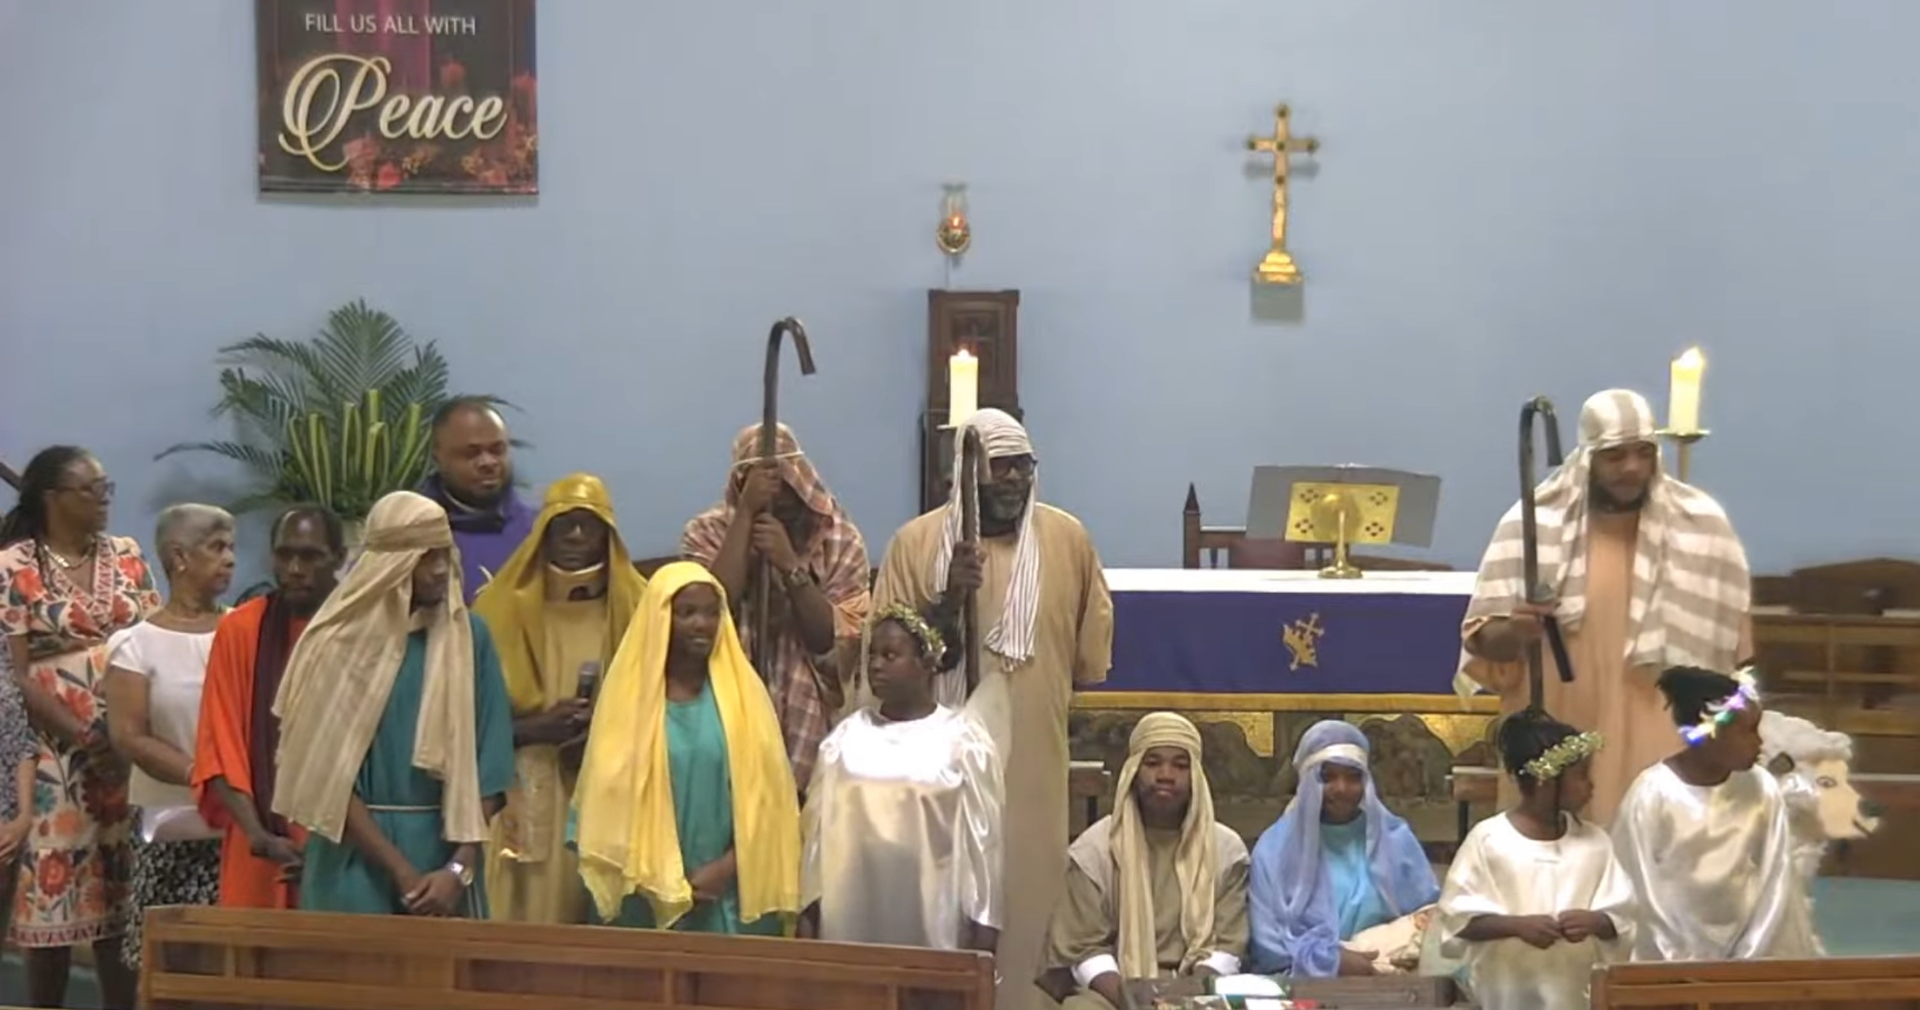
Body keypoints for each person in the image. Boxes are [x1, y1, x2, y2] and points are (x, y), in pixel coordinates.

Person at [870, 408, 1113, 1010]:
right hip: (938, 766)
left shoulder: (1068, 541)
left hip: (1032, 761)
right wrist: (950, 595)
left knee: (1027, 892)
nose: (1011, 480)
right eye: (998, 468)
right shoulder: (917, 544)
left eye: (1021, 467)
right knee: (943, 896)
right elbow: (890, 662)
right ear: (965, 474)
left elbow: (1087, 660)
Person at [1458, 389, 1754, 826]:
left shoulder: (1701, 526)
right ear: (1587, 458)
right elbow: (1484, 641)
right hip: (1564, 723)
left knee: (1656, 842)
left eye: (1643, 453)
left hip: (1663, 730)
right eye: (1615, 455)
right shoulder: (1534, 524)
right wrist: (1517, 631)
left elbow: (1734, 656)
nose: (1632, 467)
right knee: (1558, 847)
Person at [270, 491, 515, 917]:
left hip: (447, 858)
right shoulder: (335, 643)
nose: (441, 570)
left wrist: (458, 867)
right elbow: (324, 777)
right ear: (389, 563)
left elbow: (491, 765)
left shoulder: (470, 638)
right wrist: (402, 873)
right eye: (425, 558)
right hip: (354, 860)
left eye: (444, 554)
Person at [0, 445, 159, 1008]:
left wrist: (129, 735)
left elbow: (154, 638)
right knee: (56, 890)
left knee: (120, 892)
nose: (104, 499)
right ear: (53, 498)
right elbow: (15, 674)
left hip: (130, 746)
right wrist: (87, 737)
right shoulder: (14, 566)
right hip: (54, 753)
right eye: (91, 489)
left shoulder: (128, 555)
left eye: (106, 487)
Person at [571, 562, 801, 934]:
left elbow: (771, 807)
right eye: (688, 612)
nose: (702, 624)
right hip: (641, 899)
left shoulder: (745, 700)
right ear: (659, 618)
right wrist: (659, 876)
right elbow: (603, 807)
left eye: (712, 613)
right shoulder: (626, 702)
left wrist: (725, 869)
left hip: (725, 897)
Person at [473, 473, 646, 924]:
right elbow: (459, 721)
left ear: (608, 536)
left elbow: (667, 707)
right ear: (543, 532)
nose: (574, 536)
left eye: (588, 525)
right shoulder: (495, 609)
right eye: (563, 524)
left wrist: (604, 738)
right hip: (519, 785)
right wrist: (532, 729)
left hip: (609, 784)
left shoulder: (641, 610)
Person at [799, 604, 1002, 952]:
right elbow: (815, 846)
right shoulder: (844, 740)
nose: (876, 665)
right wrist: (807, 924)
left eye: (890, 655)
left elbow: (984, 848)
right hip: (850, 920)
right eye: (872, 655)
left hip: (932, 924)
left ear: (927, 663)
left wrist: (985, 937)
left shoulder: (964, 741)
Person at [682, 422, 871, 789]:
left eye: (786, 483)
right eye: (764, 486)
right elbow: (712, 609)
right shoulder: (706, 533)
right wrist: (746, 517)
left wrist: (790, 566)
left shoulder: (839, 540)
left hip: (807, 711)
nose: (778, 496)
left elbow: (831, 640)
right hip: (724, 704)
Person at [191, 505, 345, 909]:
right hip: (260, 839)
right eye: (284, 555)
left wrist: (334, 848)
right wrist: (259, 835)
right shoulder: (241, 629)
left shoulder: (361, 629)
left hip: (347, 846)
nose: (295, 569)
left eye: (311, 557)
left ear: (340, 559)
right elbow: (220, 743)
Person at [103, 505, 236, 971]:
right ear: (179, 557)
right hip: (168, 827)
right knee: (165, 964)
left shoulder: (244, 630)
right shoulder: (135, 645)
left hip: (242, 827)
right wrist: (205, 777)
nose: (230, 558)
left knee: (233, 961)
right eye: (216, 547)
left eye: (232, 547)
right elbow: (130, 736)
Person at [1039, 713, 1247, 1010]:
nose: (1165, 775)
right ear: (1133, 771)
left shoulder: (1226, 850)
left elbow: (1228, 946)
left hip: (1198, 989)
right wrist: (1133, 1002)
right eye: (1152, 763)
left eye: (1180, 765)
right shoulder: (1095, 849)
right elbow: (1083, 947)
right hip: (1118, 990)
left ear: (1196, 776)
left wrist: (1185, 999)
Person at [1436, 709, 1635, 1010]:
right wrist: (1515, 926)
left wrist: (1596, 921)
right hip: (1506, 994)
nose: (1591, 785)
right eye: (1581, 775)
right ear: (1546, 780)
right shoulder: (1489, 841)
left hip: (1576, 993)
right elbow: (1459, 921)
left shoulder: (1597, 843)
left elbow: (1624, 917)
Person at [1610, 665, 1804, 960]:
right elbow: (1636, 885)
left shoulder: (1762, 787)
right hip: (1668, 956)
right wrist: (1676, 962)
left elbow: (1776, 874)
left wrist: (1749, 956)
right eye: (1749, 731)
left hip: (1747, 950)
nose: (1760, 743)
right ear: (1709, 734)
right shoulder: (1652, 793)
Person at [1247, 720, 1439, 978]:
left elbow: (1428, 921)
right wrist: (1329, 961)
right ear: (1306, 783)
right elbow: (1267, 947)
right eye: (1327, 777)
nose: (1342, 788)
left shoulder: (1396, 840)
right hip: (1301, 986)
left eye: (1353, 777)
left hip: (1391, 982)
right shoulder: (1274, 849)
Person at [419, 397, 533, 602]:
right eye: (471, 454)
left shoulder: (540, 531)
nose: (488, 462)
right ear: (438, 457)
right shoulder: (409, 534)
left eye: (497, 450)